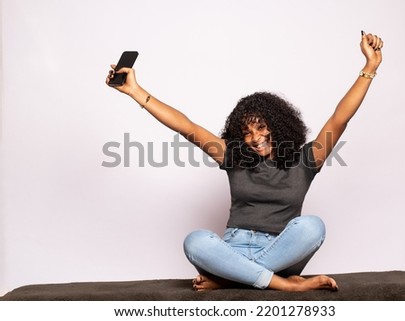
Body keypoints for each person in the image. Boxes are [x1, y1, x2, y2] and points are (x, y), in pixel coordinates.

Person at [106, 31, 383, 292]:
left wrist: (370, 67)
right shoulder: (233, 156)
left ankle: (231, 280)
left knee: (313, 226)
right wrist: (135, 91)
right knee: (195, 241)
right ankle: (283, 284)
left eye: (262, 128)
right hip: (233, 248)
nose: (255, 137)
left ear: (278, 125)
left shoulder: (307, 159)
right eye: (247, 132)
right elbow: (185, 126)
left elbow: (340, 118)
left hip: (281, 252)